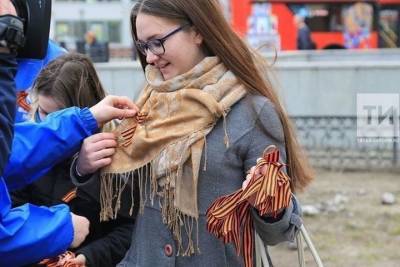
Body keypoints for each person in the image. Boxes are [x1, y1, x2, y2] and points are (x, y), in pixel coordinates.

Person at [74, 0, 313, 266]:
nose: (150, 57)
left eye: (157, 41)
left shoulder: (252, 112)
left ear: (197, 30)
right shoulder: (148, 103)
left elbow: (278, 233)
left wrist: (270, 202)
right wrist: (86, 167)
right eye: (143, 46)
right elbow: (126, 203)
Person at [0, 2, 139, 264]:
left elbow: (126, 229)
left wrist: (87, 257)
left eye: (57, 115)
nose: (46, 122)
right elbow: (14, 200)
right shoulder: (28, 138)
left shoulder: (115, 150)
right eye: (41, 112)